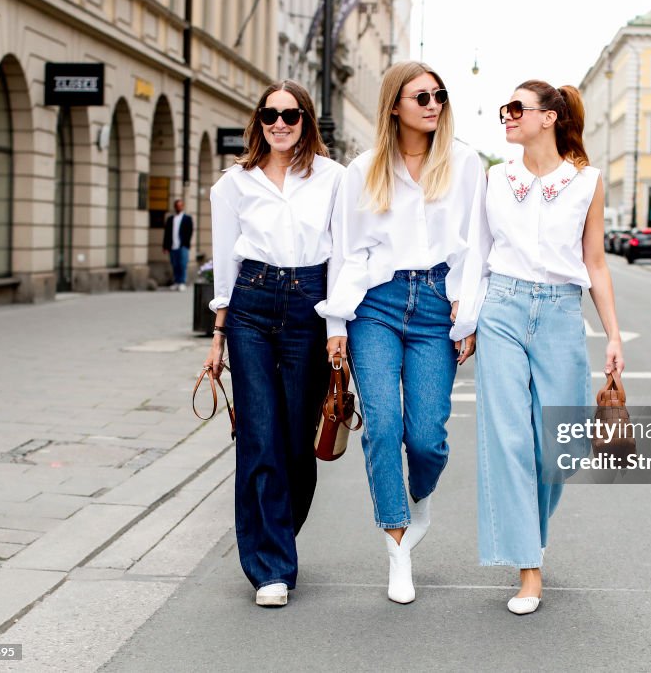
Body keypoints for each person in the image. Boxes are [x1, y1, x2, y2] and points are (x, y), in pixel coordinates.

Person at [316, 61, 485, 605]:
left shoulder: (464, 164)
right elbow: (344, 252)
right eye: (421, 97)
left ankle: (420, 496)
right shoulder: (361, 171)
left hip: (438, 302)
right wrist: (337, 323)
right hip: (377, 305)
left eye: (439, 95)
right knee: (383, 425)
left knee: (427, 438)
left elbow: (475, 247)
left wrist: (468, 313)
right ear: (394, 106)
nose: (433, 104)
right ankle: (397, 547)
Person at [476, 80, 625, 615]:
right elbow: (480, 253)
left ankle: (530, 537)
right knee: (511, 440)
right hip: (503, 309)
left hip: (561, 313)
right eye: (505, 108)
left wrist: (612, 334)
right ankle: (529, 569)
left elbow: (596, 262)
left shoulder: (586, 182)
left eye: (517, 108)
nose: (507, 116)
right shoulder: (495, 177)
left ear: (549, 118)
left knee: (559, 449)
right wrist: (468, 320)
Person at [203, 80, 344, 608]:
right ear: (258, 121)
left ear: (307, 119)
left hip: (311, 302)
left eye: (290, 114)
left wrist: (338, 327)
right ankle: (270, 567)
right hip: (251, 307)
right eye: (270, 115)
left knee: (294, 442)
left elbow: (345, 256)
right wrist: (218, 335)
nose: (280, 124)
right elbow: (225, 260)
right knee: (258, 436)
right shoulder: (234, 184)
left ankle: (278, 529)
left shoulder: (334, 179)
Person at [163, 199, 193, 291]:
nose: (178, 207)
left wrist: (185, 243)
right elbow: (167, 234)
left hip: (183, 246)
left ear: (182, 206)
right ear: (174, 207)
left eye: (180, 205)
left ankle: (182, 282)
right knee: (175, 264)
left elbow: (189, 232)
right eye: (177, 206)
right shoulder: (170, 219)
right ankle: (176, 282)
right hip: (173, 246)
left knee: (182, 264)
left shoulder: (187, 218)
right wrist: (165, 246)